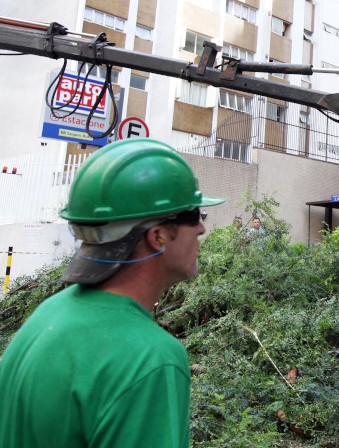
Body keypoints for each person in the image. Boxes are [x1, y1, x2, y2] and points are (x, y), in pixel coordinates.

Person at [0, 138, 224, 447]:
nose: (201, 229)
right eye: (194, 214)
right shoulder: (150, 359)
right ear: (157, 236)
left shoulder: (48, 316)